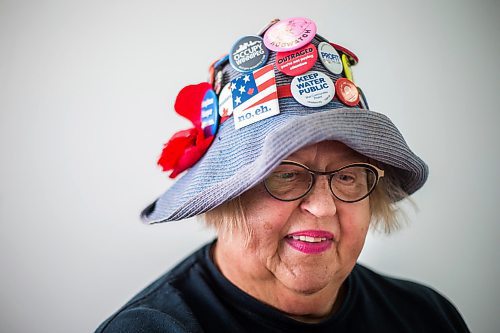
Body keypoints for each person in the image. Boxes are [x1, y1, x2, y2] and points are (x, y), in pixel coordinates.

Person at [96, 17, 469, 332]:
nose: (323, 208)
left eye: (347, 177)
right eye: (286, 174)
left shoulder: (426, 317)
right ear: (226, 196)